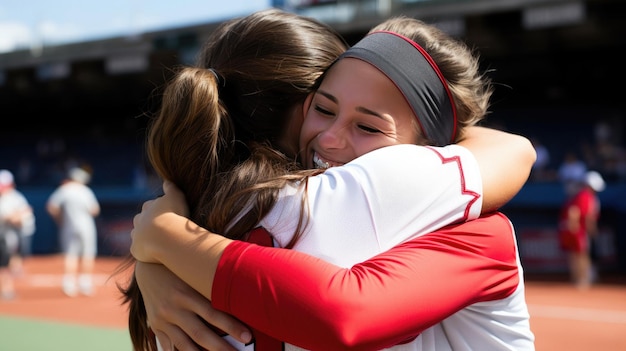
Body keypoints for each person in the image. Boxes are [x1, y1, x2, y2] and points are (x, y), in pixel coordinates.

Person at [127, 12, 536, 351]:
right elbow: (517, 150)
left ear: (433, 149)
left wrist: (160, 244)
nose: (330, 138)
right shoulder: (468, 226)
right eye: (323, 108)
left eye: (368, 126)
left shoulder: (199, 209)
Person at [46, 166, 101, 297]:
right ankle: (85, 283)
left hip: (68, 227)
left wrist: (60, 220)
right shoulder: (85, 191)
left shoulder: (64, 189)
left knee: (70, 255)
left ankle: (69, 284)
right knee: (88, 254)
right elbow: (95, 210)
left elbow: (51, 207)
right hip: (86, 227)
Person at [558, 170, 605, 290]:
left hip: (575, 229)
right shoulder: (585, 196)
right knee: (581, 255)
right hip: (580, 230)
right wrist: (591, 230)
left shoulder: (580, 195)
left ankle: (578, 278)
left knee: (576, 255)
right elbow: (579, 213)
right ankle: (583, 279)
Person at [0, 169, 35, 300]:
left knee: (9, 261)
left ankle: (7, 289)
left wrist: (17, 216)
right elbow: (11, 218)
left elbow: (22, 217)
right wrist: (17, 215)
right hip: (3, 235)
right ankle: (6, 290)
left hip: (11, 235)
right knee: (4, 264)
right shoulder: (4, 199)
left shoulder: (15, 197)